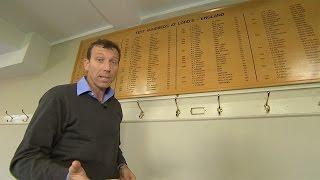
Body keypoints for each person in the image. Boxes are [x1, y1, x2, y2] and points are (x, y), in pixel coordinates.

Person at [10, 39, 136, 180]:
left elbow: (113, 146)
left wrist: (122, 165)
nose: (107, 67)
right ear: (86, 64)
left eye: (113, 62)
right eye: (100, 59)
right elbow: (23, 161)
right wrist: (67, 176)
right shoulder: (58, 97)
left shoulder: (115, 106)